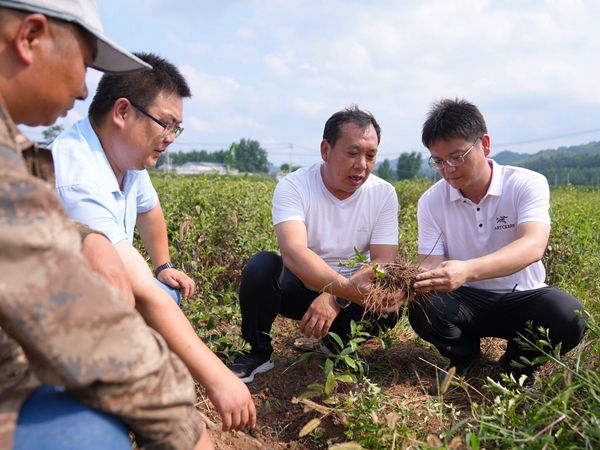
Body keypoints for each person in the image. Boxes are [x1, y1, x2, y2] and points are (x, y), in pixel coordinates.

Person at [0, 0, 213, 448]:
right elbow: (80, 316)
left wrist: (96, 241)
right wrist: (188, 409)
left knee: (160, 292)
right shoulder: (76, 167)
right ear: (29, 38)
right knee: (92, 432)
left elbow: (147, 216)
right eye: (84, 62)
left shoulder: (20, 145)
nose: (83, 89)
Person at [50, 52, 256, 431]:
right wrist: (218, 378)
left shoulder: (126, 157)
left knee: (166, 295)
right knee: (153, 304)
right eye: (166, 123)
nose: (171, 138)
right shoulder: (78, 178)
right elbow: (141, 291)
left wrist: (163, 266)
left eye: (177, 128)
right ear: (123, 112)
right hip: (57, 321)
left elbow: (149, 209)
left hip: (101, 299)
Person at [409, 98, 587, 387]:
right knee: (423, 305)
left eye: (457, 156)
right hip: (466, 301)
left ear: (485, 144)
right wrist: (413, 282)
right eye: (438, 162)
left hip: (522, 297)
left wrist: (466, 270)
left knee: (568, 315)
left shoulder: (525, 184)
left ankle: (518, 364)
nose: (448, 169)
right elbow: (430, 263)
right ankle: (464, 356)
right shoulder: (431, 201)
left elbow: (532, 246)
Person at [229, 105, 403, 383]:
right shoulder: (295, 186)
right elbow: (294, 252)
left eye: (370, 155)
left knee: (392, 296)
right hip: (299, 288)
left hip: (353, 295)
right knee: (262, 265)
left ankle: (337, 345)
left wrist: (337, 297)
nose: (362, 164)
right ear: (326, 150)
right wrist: (339, 289)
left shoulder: (383, 193)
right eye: (352, 153)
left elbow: (382, 262)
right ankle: (256, 352)